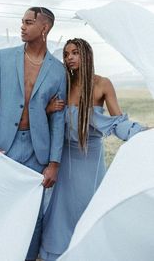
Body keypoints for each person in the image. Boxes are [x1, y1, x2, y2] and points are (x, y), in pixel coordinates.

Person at [40, 38, 146, 261]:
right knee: (61, 210)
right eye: (67, 54)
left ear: (86, 55)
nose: (69, 58)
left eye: (75, 53)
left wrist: (142, 133)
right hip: (66, 157)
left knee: (89, 205)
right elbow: (50, 122)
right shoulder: (64, 84)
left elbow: (117, 121)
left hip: (91, 157)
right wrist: (49, 109)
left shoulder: (102, 84)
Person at [0, 7, 66, 261]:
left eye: (29, 22)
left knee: (33, 214)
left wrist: (54, 163)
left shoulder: (58, 71)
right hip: (4, 148)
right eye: (21, 22)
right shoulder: (3, 58)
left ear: (44, 28)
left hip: (37, 151)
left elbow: (58, 120)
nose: (22, 26)